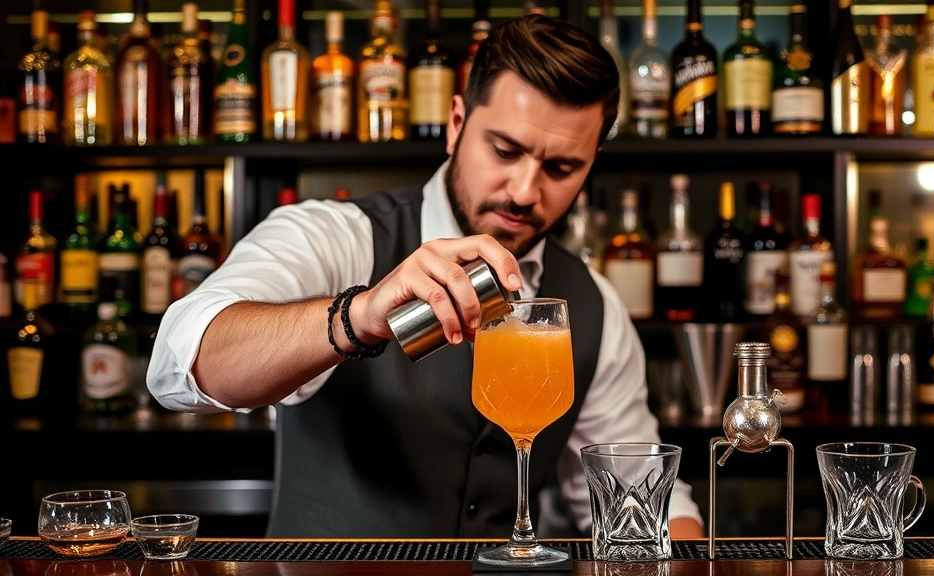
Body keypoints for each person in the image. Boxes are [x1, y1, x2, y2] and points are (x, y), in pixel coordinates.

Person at [148, 14, 704, 539]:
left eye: (561, 168)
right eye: (505, 150)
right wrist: (358, 315)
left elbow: (638, 493)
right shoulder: (338, 236)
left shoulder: (593, 304)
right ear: (457, 124)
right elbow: (182, 364)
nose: (524, 191)